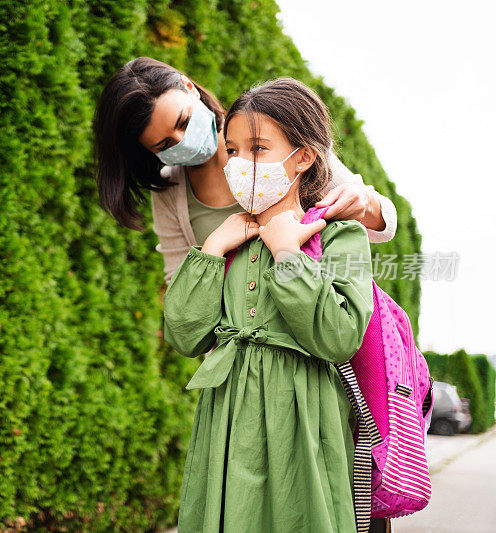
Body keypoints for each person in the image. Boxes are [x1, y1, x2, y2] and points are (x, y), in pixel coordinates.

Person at [161, 77, 373, 531]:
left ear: (303, 157)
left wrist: (288, 255)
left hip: (302, 421)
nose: (239, 163)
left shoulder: (339, 234)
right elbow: (185, 336)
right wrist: (213, 249)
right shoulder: (229, 241)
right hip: (227, 420)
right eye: (233, 150)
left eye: (258, 148)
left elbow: (339, 336)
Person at [93, 57, 397, 289]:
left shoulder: (268, 128)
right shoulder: (171, 192)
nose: (183, 140)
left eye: (184, 122)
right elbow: (183, 289)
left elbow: (384, 221)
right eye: (165, 144)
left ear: (188, 87)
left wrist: (364, 203)